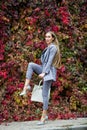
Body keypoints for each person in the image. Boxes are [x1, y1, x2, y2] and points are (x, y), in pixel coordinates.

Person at [20, 31, 61, 125]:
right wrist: (42, 70)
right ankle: (26, 87)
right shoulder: (48, 48)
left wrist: (44, 73)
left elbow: (50, 61)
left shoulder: (53, 47)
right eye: (46, 37)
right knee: (31, 65)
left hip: (49, 72)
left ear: (53, 38)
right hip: (43, 69)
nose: (47, 38)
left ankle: (44, 116)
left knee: (44, 94)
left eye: (49, 37)